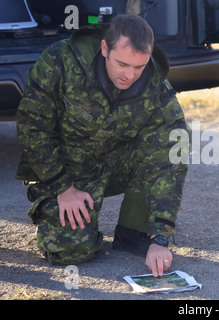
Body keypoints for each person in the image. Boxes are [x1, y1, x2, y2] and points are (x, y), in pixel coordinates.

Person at [16, 14, 188, 277]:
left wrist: (160, 239)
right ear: (105, 49)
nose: (130, 75)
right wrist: (62, 187)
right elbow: (32, 127)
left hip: (115, 164)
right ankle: (59, 212)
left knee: (173, 140)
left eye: (139, 67)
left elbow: (170, 159)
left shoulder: (155, 85)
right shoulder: (60, 61)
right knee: (70, 251)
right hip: (68, 170)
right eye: (122, 64)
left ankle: (134, 231)